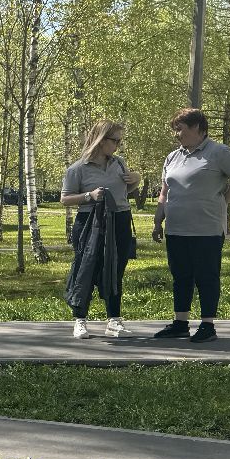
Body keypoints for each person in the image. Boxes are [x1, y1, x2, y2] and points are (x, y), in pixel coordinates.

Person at [151, 108, 230, 342]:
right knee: (181, 276)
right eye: (175, 130)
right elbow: (165, 191)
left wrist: (223, 200)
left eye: (180, 129)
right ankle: (180, 323)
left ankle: (208, 326)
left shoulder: (218, 152)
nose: (176, 134)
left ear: (197, 127)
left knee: (206, 276)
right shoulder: (173, 157)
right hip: (176, 229)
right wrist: (158, 220)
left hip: (206, 230)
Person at [60, 120, 141, 339]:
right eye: (115, 140)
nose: (118, 145)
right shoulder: (78, 168)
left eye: (119, 141)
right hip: (89, 222)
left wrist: (136, 180)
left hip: (120, 219)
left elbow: (126, 189)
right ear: (101, 140)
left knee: (116, 270)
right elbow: (65, 199)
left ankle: (114, 321)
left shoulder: (119, 163)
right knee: (85, 269)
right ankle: (80, 320)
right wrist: (89, 196)